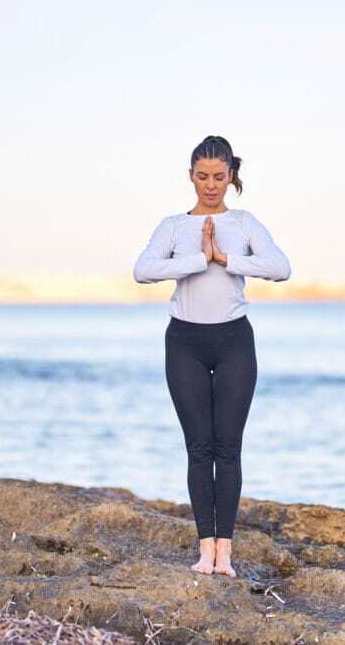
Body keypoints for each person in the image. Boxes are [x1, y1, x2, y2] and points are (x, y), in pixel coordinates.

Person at [133, 135, 291, 576]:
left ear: (230, 176)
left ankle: (226, 552)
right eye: (202, 176)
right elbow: (143, 271)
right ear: (190, 176)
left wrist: (224, 257)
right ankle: (206, 551)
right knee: (200, 449)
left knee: (229, 450)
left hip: (234, 342)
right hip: (184, 343)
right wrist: (198, 261)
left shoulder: (243, 222)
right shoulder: (172, 226)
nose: (210, 185)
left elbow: (281, 268)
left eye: (219, 177)